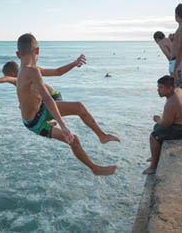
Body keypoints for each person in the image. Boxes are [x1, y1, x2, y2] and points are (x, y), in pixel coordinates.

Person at [13, 33, 118, 175]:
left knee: (79, 107)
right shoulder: (31, 72)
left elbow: (57, 72)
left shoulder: (30, 70)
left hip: (40, 110)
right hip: (35, 123)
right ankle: (95, 169)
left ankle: (102, 136)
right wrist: (64, 126)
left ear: (18, 54)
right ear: (37, 51)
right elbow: (48, 99)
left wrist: (74, 63)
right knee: (74, 140)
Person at [143, 75, 182, 175]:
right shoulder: (178, 91)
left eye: (161, 88)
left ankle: (153, 167)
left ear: (169, 88)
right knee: (157, 128)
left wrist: (157, 119)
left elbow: (166, 124)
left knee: (154, 136)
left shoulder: (172, 102)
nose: (158, 90)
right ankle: (155, 155)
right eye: (158, 87)